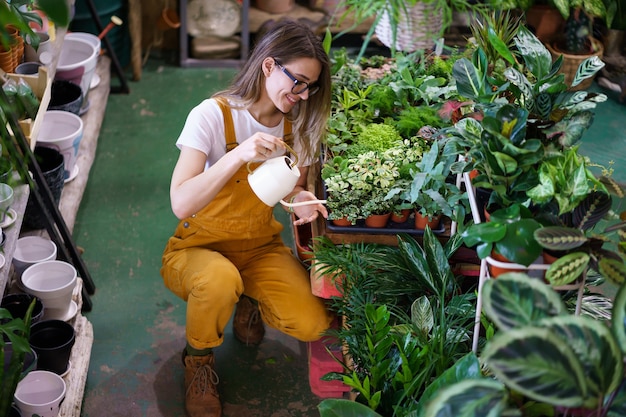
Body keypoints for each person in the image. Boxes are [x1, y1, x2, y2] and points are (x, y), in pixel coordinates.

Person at [160, 19, 334, 417]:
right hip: (197, 247)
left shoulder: (299, 124)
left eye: (311, 87)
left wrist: (302, 197)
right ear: (269, 66)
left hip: (259, 246)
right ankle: (198, 363)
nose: (303, 95)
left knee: (311, 324)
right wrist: (239, 155)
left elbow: (288, 188)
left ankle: (248, 298)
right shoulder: (211, 115)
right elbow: (181, 202)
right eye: (299, 82)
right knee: (219, 281)